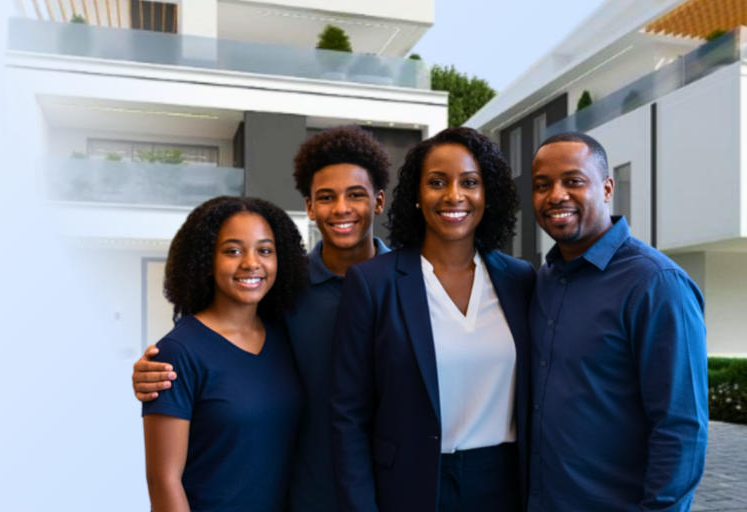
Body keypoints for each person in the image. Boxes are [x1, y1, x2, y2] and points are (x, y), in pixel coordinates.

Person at [133, 126, 393, 510]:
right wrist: (151, 371)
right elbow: (218, 348)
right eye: (326, 197)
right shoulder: (287, 296)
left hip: (393, 490)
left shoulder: (412, 286)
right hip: (308, 497)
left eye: (355, 194)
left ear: (379, 201)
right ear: (309, 207)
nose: (340, 208)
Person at [330, 127, 533, 512]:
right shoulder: (373, 283)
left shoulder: (520, 280)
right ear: (417, 197)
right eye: (437, 182)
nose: (454, 195)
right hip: (410, 484)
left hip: (504, 484)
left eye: (469, 182)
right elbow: (347, 416)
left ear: (487, 195)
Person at [525, 132, 706, 511]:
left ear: (607, 188)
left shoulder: (656, 284)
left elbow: (681, 428)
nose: (556, 195)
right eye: (542, 185)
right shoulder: (542, 281)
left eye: (573, 181)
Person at [142, 196, 308, 512]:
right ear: (206, 260)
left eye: (265, 250)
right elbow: (163, 480)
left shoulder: (286, 337)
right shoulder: (177, 353)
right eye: (232, 251)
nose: (251, 263)